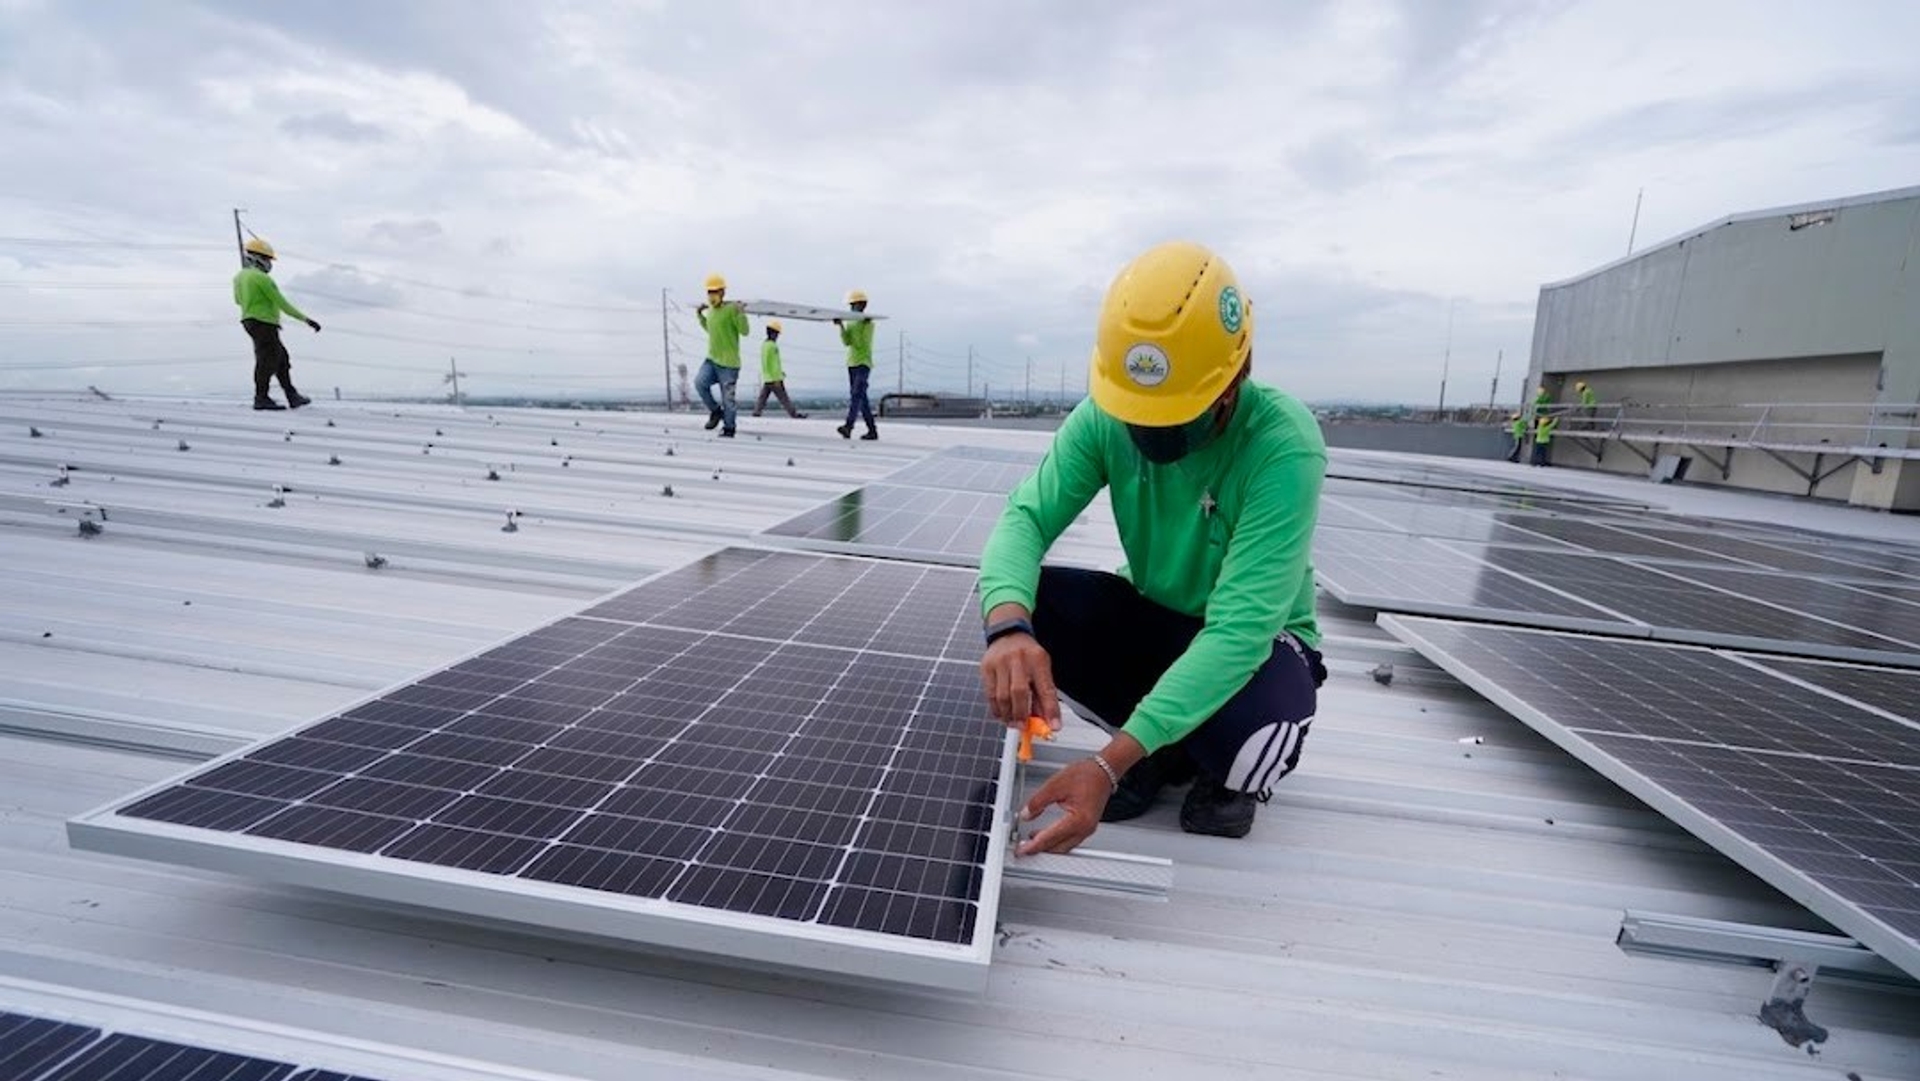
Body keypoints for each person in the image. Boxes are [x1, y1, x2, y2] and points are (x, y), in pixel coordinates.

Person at [976, 241, 1327, 856]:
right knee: (1029, 606)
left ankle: (1198, 766)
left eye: (1173, 414)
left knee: (1249, 747)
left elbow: (1240, 630)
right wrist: (1008, 629)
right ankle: (1157, 748)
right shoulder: (1105, 417)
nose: (1149, 431)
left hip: (1262, 644)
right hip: (1156, 617)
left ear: (1232, 380)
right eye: (1138, 413)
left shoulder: (1281, 443)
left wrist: (1106, 766)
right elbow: (1024, 518)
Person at [232, 237, 320, 411]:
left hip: (249, 321)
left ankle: (292, 396)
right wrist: (307, 320)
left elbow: (237, 300)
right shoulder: (261, 278)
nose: (269, 263)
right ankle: (261, 398)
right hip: (264, 323)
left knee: (281, 359)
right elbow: (282, 303)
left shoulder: (239, 277)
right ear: (258, 258)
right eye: (267, 259)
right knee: (266, 361)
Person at [694, 273, 749, 437]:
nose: (712, 295)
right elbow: (710, 330)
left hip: (729, 364)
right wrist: (699, 315)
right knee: (699, 383)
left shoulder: (732, 309)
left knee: (729, 400)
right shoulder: (710, 311)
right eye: (709, 292)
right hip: (711, 360)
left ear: (723, 292)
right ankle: (715, 411)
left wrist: (741, 313)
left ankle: (729, 428)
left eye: (715, 291)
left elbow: (745, 332)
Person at [834, 289, 878, 440]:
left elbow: (860, 344)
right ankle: (872, 431)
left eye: (854, 305)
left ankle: (848, 426)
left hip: (863, 363)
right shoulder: (851, 321)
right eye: (850, 306)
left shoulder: (868, 324)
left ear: (861, 305)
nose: (852, 308)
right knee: (861, 399)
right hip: (852, 363)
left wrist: (861, 324)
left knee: (856, 395)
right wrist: (841, 326)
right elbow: (847, 342)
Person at [752, 320, 806, 419]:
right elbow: (774, 363)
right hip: (775, 378)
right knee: (784, 398)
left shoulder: (764, 345)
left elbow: (766, 362)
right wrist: (777, 377)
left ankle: (756, 412)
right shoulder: (773, 346)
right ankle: (794, 414)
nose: (777, 336)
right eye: (776, 334)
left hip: (767, 376)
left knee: (763, 397)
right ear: (773, 333)